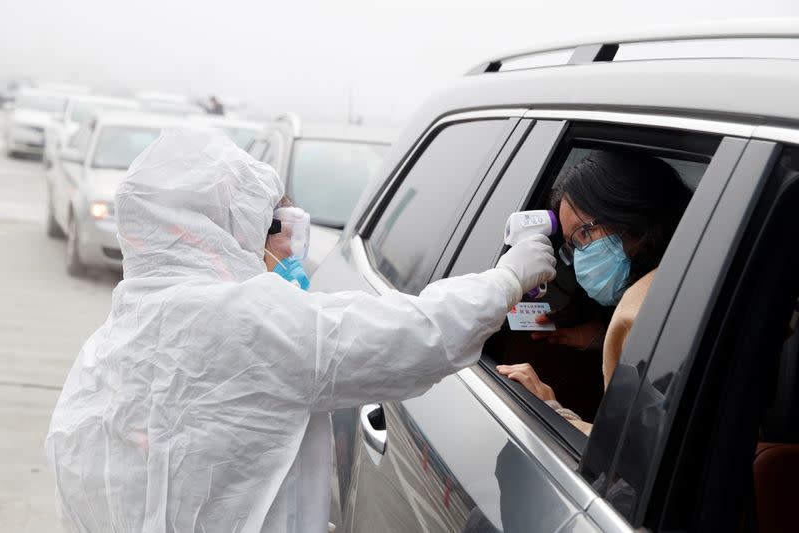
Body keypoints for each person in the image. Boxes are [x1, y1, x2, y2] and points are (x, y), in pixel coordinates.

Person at [44, 128, 557, 533]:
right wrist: (508, 279)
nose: (287, 248)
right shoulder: (247, 320)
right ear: (216, 227)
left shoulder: (117, 334)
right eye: (269, 225)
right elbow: (411, 336)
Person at [497, 150, 692, 434]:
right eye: (571, 245)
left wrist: (550, 410)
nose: (579, 259)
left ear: (631, 215)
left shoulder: (648, 311)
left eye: (584, 234)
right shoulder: (693, 284)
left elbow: (625, 460)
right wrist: (602, 340)